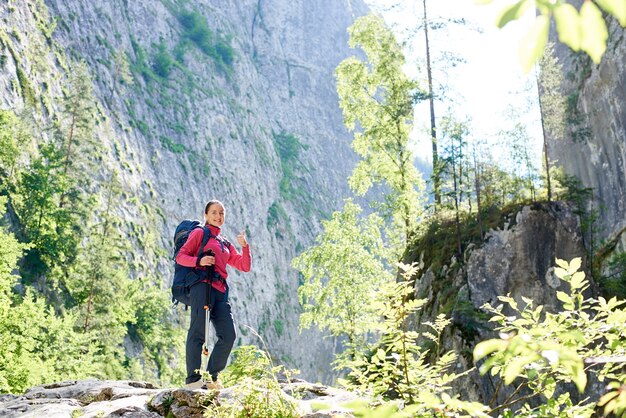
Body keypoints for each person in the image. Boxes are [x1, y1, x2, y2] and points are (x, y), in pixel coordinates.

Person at [175, 200, 251, 389]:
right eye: (214, 212)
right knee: (198, 331)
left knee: (228, 335)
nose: (218, 216)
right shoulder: (200, 233)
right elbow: (181, 256)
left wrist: (245, 247)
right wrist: (199, 261)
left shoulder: (224, 242)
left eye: (222, 213)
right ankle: (193, 381)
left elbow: (244, 265)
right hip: (201, 286)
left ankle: (211, 378)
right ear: (206, 215)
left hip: (220, 291)